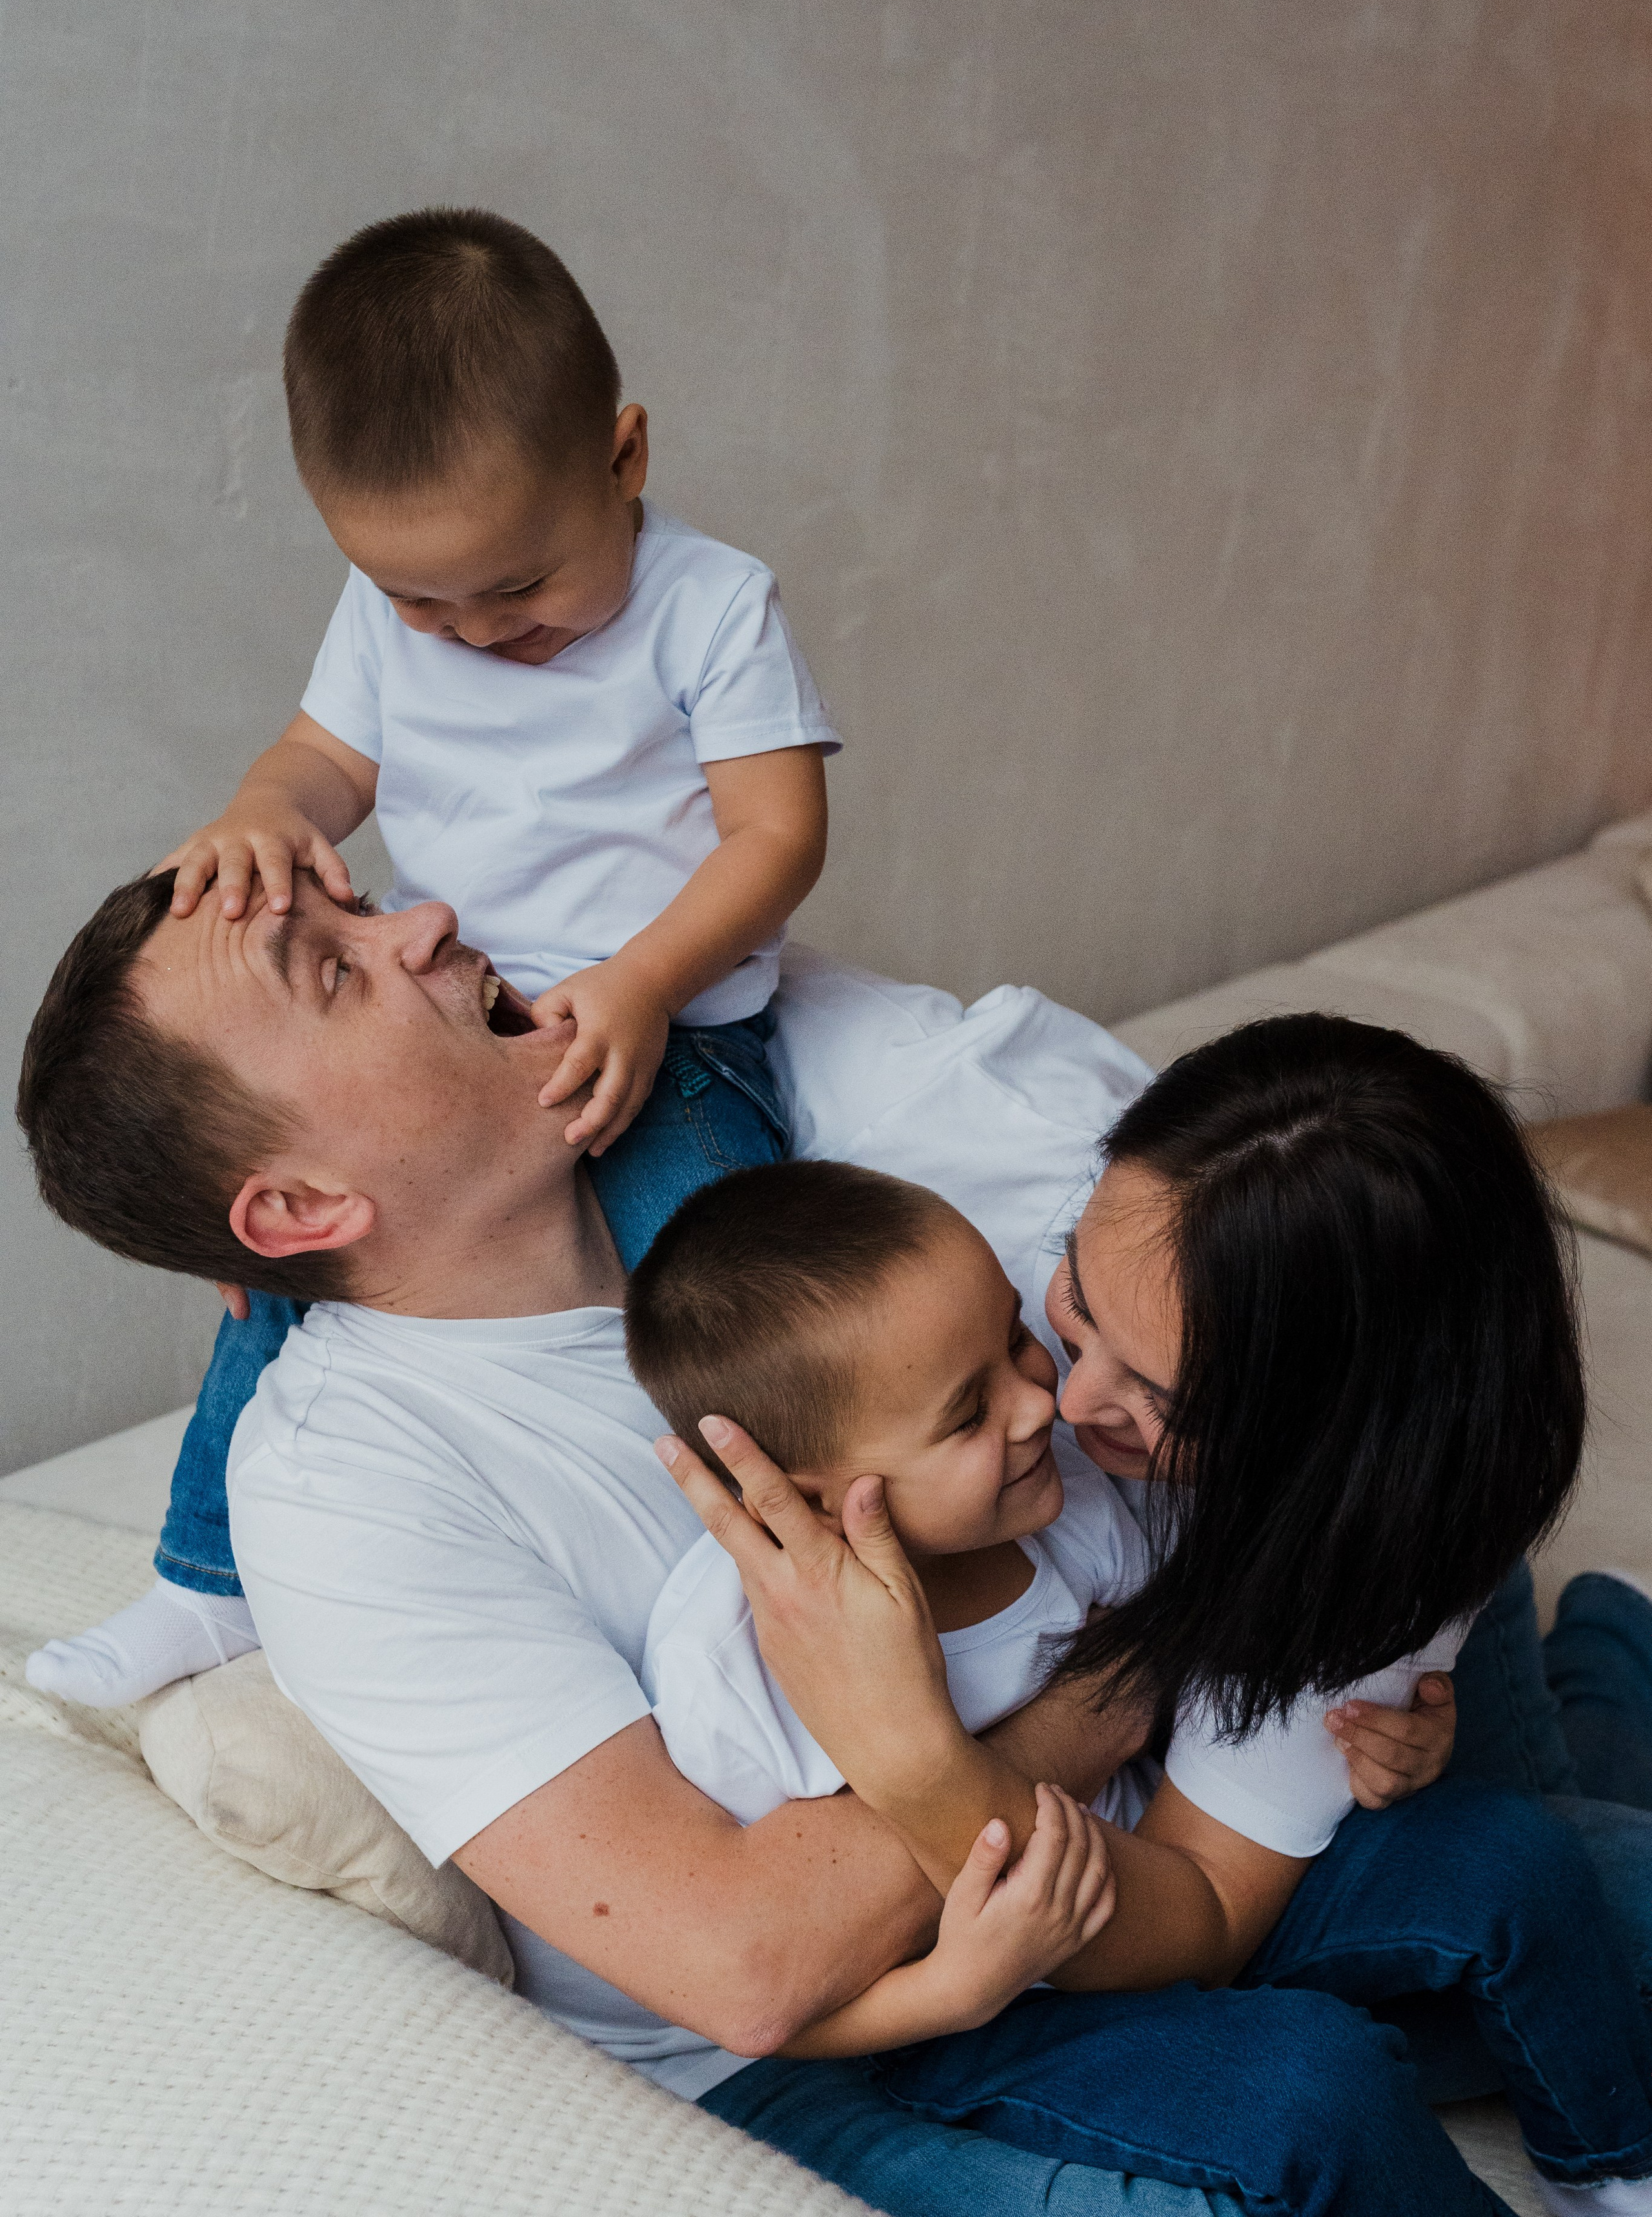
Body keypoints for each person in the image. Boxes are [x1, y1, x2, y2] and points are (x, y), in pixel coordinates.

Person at [16, 866, 1529, 2217]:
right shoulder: (349, 1485)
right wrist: (1161, 1663)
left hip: (1139, 1832)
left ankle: (1594, 1673)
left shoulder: (742, 1123)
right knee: (1295, 2116)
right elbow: (747, 1963)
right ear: (294, 1207)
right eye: (339, 969)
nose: (426, 919)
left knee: (1551, 1874)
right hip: (817, 2057)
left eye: (362, 902)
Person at [26, 206, 836, 1713]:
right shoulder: (389, 618)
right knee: (271, 1292)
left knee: (730, 1293)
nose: (471, 633)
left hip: (664, 1032)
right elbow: (322, 759)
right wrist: (265, 815)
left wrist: (649, 984)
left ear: (623, 456)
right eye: (420, 600)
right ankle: (203, 1587)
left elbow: (774, 838)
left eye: (519, 589)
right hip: (452, 1017)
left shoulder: (710, 606)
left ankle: (779, 1592)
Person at [634, 1156, 1652, 2211]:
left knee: (1511, 1857)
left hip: (1169, 1880)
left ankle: (1617, 2170)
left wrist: (1399, 1734)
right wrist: (946, 1989)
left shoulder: (1063, 1500)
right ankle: (1616, 1648)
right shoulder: (738, 1669)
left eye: (1017, 1338)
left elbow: (1216, 1706)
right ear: (807, 1495)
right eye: (966, 1414)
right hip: (988, 2015)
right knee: (1309, 2081)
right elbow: (759, 1997)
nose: (1043, 1401)